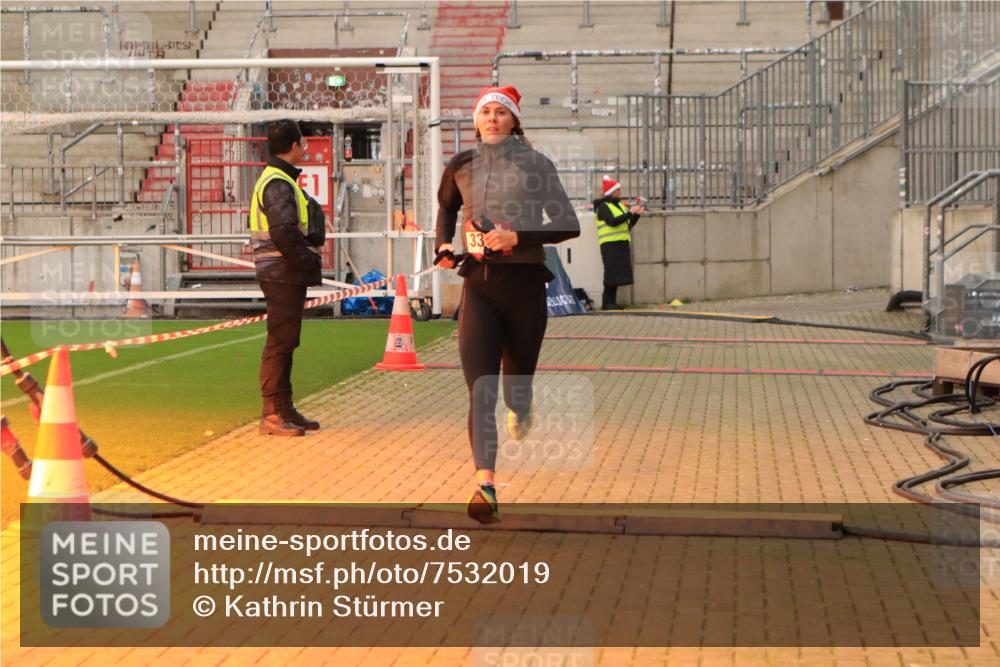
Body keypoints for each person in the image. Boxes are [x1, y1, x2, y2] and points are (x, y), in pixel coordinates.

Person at [435, 85, 580, 523]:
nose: (492, 119)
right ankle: (485, 486)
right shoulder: (461, 164)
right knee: (481, 391)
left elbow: (568, 223)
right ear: (476, 121)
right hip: (478, 285)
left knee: (516, 384)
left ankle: (522, 403)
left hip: (525, 286)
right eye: (485, 113)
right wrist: (443, 243)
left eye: (501, 113)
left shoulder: (536, 165)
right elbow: (445, 208)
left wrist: (518, 236)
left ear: (515, 120)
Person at [249, 120, 323, 436]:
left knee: (287, 341)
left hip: (283, 271)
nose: (305, 149)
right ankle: (272, 414)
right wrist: (307, 262)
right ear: (294, 145)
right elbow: (284, 232)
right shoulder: (277, 182)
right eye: (304, 144)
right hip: (281, 271)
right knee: (280, 343)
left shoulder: (278, 178)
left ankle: (284, 408)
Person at [593, 176, 643, 310]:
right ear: (610, 192)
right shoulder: (603, 207)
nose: (620, 192)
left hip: (620, 244)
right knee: (611, 273)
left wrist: (636, 215)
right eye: (617, 190)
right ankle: (606, 302)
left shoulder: (619, 206)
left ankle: (612, 302)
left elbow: (627, 225)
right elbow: (612, 221)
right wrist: (629, 213)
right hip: (609, 245)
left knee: (616, 274)